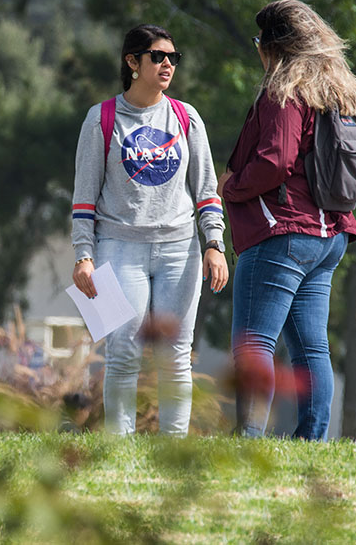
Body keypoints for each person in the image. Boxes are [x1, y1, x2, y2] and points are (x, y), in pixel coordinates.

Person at [219, 0, 356, 440]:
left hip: (283, 231)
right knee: (311, 345)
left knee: (254, 342)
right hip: (330, 234)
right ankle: (313, 440)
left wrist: (229, 188)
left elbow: (275, 161)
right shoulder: (342, 92)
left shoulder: (285, 91)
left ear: (272, 46)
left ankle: (248, 438)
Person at [71, 24, 229, 437]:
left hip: (181, 251)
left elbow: (207, 191)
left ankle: (173, 447)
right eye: (158, 56)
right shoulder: (102, 118)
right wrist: (83, 256)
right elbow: (84, 199)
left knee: (175, 356)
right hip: (119, 248)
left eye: (173, 58)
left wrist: (214, 243)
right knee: (123, 351)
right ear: (132, 62)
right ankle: (119, 447)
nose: (167, 65)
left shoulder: (186, 117)